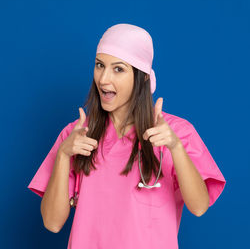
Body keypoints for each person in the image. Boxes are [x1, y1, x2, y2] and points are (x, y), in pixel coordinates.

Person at [27, 23, 226, 249]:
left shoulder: (176, 133)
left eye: (118, 69)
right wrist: (63, 155)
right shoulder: (77, 134)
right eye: (99, 65)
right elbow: (52, 223)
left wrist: (176, 148)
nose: (103, 79)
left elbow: (199, 207)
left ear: (141, 77)